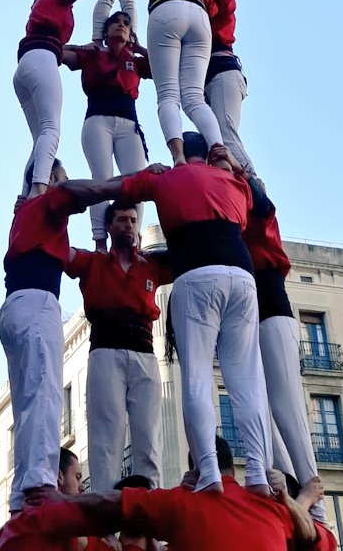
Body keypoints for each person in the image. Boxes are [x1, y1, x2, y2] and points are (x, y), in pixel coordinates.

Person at [118, 133, 273, 493]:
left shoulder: (169, 177)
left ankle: (209, 472)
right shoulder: (233, 180)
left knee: (197, 379)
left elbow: (122, 188)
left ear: (180, 154)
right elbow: (264, 207)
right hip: (242, 276)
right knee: (246, 379)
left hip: (197, 275)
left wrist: (149, 170)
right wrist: (238, 169)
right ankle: (259, 475)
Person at [3, 437, 329, 551]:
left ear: (196, 470)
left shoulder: (180, 505)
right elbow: (318, 538)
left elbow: (110, 503)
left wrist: (59, 503)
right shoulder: (269, 508)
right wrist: (299, 500)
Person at [0, 173, 97, 514]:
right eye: (62, 177)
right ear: (49, 180)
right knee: (45, 394)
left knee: (29, 401)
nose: (67, 182)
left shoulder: (25, 215)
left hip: (16, 305)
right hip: (37, 303)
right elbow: (89, 191)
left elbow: (65, 255)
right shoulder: (46, 204)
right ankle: (40, 485)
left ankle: (19, 499)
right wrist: (138, 181)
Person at [66, 203, 173, 492]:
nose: (130, 225)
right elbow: (60, 251)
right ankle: (106, 527)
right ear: (109, 227)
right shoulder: (93, 263)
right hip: (105, 352)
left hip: (144, 353)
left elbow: (187, 251)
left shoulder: (152, 264)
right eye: (122, 220)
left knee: (149, 439)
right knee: (105, 440)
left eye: (134, 220)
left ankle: (150, 523)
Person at [88, 0, 224, 165]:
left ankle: (179, 157)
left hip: (167, 4)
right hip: (199, 14)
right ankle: (220, 154)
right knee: (195, 97)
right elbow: (216, 1)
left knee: (169, 95)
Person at [243, 197, 327, 523]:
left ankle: (316, 510)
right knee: (262, 412)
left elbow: (262, 204)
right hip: (248, 314)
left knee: (287, 411)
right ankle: (296, 500)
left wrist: (238, 170)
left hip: (272, 309)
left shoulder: (254, 207)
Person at [14, 0, 105, 195]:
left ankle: (25, 196)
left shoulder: (42, 3)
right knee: (51, 129)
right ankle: (38, 192)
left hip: (28, 64)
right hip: (42, 60)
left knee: (40, 140)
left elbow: (57, 46)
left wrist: (80, 49)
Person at [63, 12, 150, 246]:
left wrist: (140, 48)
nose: (121, 26)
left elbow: (164, 67)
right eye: (116, 23)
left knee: (138, 181)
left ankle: (135, 244)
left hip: (128, 123)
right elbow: (60, 54)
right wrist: (81, 46)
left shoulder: (134, 60)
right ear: (105, 31)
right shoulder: (93, 55)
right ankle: (100, 242)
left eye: (126, 24)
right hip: (98, 120)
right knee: (102, 179)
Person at [198, 0, 256, 176]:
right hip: (214, 78)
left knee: (224, 134)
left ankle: (253, 182)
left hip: (223, 72)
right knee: (214, 138)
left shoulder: (217, 12)